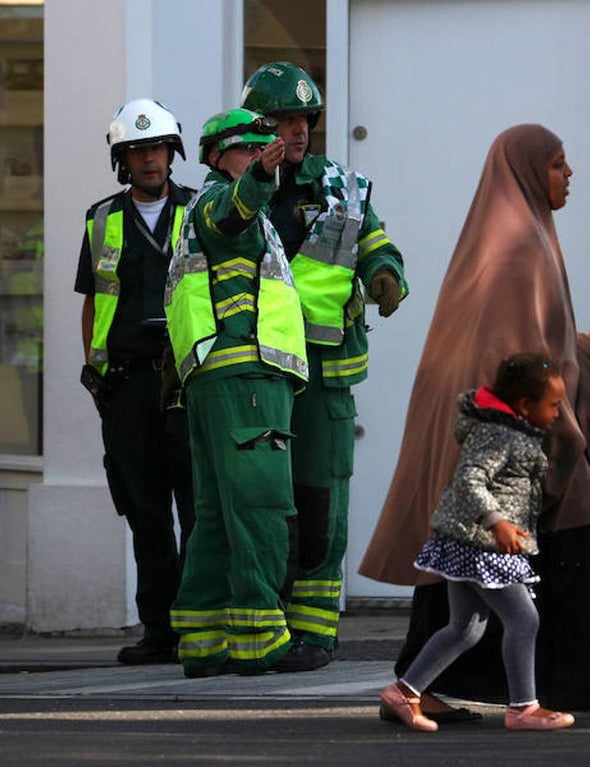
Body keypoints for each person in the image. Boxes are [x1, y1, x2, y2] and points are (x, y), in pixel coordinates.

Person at [359, 123, 590, 722]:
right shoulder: (518, 246)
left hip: (499, 429)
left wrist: (578, 347)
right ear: (529, 172)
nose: (569, 174)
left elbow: (521, 340)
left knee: (464, 570)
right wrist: (561, 401)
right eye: (558, 164)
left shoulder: (509, 235)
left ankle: (421, 687)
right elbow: (512, 352)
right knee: (580, 533)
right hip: (512, 433)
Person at [240, 61, 409, 672]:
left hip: (325, 373)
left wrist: (386, 274)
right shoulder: (238, 189)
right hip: (258, 372)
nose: (299, 130)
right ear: (260, 127)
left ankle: (315, 634)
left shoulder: (341, 186)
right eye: (285, 119)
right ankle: (269, 626)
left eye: (305, 118)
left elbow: (374, 242)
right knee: (266, 501)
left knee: (320, 502)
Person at [164, 108, 309, 678]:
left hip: (214, 378)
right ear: (217, 156)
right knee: (261, 506)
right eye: (246, 148)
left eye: (261, 148)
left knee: (217, 515)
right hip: (246, 372)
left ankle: (203, 642)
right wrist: (260, 178)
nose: (259, 153)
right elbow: (234, 211)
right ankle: (259, 639)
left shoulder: (198, 210)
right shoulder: (217, 203)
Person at [380, 352, 576, 733]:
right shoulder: (498, 433)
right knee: (523, 619)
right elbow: (470, 479)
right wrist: (497, 521)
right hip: (480, 544)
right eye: (553, 405)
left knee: (465, 628)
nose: (557, 413)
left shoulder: (511, 430)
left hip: (468, 542)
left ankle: (405, 691)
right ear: (523, 405)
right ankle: (523, 707)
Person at [74, 98, 195, 665]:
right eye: (139, 151)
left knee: (197, 508)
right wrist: (97, 376)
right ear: (123, 160)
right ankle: (159, 631)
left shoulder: (203, 211)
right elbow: (93, 302)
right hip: (126, 386)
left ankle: (198, 627)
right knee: (145, 512)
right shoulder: (101, 219)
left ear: (173, 154)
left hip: (188, 385)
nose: (151, 160)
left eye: (158, 149)